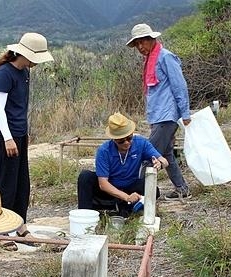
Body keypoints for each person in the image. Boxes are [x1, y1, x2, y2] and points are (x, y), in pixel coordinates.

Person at [0, 32, 54, 251]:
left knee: (22, 183)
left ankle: (19, 224)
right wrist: (8, 138)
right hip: (4, 136)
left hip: (19, 135)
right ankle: (1, 230)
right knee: (6, 184)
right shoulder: (5, 74)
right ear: (25, 54)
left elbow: (19, 108)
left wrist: (22, 134)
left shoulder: (25, 72)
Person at [126, 23, 192, 200]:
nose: (140, 47)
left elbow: (180, 86)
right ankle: (181, 188)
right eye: (137, 44)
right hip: (158, 115)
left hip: (167, 116)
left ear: (152, 39)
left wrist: (185, 113)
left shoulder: (165, 57)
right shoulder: (150, 60)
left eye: (143, 42)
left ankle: (139, 196)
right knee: (167, 153)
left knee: (147, 156)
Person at [77, 112, 168, 217]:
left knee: (153, 190)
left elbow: (164, 161)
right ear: (114, 139)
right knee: (85, 177)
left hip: (131, 185)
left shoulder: (141, 143)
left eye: (129, 138)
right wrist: (126, 197)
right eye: (121, 141)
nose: (126, 143)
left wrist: (159, 163)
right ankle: (84, 215)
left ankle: (127, 207)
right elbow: (103, 184)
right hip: (111, 188)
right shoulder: (104, 151)